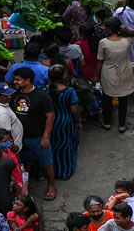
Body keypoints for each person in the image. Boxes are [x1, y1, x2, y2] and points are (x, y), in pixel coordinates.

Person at [10, 67, 58, 201]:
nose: (15, 82)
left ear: (28, 80)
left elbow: (50, 116)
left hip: (37, 137)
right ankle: (25, 186)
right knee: (25, 162)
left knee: (47, 162)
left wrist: (45, 137)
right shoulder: (15, 95)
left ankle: (51, 186)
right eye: (15, 79)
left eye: (18, 80)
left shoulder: (42, 96)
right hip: (20, 137)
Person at [47, 64, 82, 180]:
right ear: (63, 76)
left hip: (50, 122)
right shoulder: (69, 92)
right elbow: (74, 110)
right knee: (67, 147)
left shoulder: (45, 90)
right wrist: (79, 121)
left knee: (53, 146)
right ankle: (65, 172)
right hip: (65, 122)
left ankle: (53, 171)